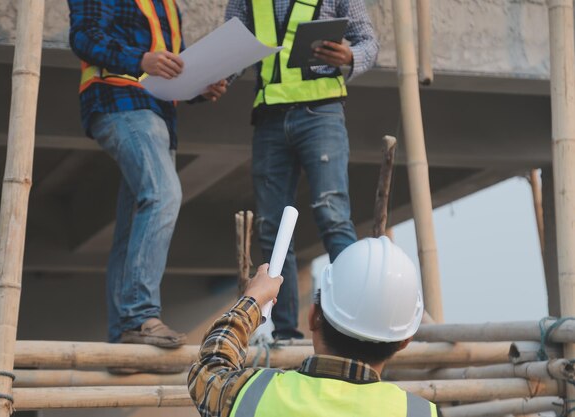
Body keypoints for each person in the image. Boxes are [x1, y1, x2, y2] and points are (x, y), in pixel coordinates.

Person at [67, 0, 227, 349]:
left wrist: (199, 87)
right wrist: (140, 59)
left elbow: (172, 67)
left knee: (135, 220)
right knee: (163, 194)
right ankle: (139, 317)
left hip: (157, 114)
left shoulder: (168, 5)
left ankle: (125, 333)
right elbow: (83, 37)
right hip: (119, 103)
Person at [225, 0, 380, 340]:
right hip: (269, 118)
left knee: (333, 215)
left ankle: (353, 324)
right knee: (272, 227)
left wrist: (350, 56)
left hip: (321, 114)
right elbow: (233, 46)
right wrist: (216, 77)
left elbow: (368, 41)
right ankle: (285, 332)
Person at [189, 236, 437, 417]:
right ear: (405, 340)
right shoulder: (422, 413)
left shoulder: (256, 393)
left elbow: (209, 369)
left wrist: (253, 299)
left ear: (313, 317)